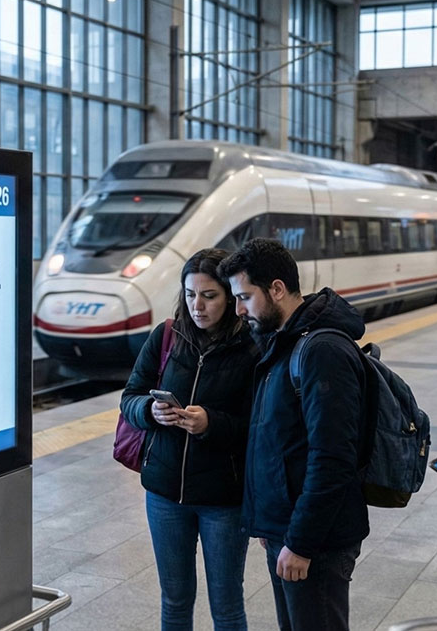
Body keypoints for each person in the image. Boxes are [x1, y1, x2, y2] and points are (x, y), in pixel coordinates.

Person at [218, 238, 370, 631]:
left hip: (315, 541)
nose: (238, 310)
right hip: (288, 530)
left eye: (244, 297)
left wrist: (301, 542)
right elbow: (277, 441)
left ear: (277, 289)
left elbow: (332, 457)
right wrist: (269, 524)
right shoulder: (284, 343)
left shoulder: (322, 350)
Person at [119, 248, 259, 631]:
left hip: (224, 501)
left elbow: (259, 427)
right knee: (175, 600)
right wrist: (150, 411)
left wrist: (211, 423)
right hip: (165, 495)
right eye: (190, 294)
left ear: (229, 296)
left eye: (209, 296)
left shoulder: (251, 347)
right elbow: (130, 397)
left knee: (226, 604)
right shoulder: (166, 336)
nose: (198, 306)